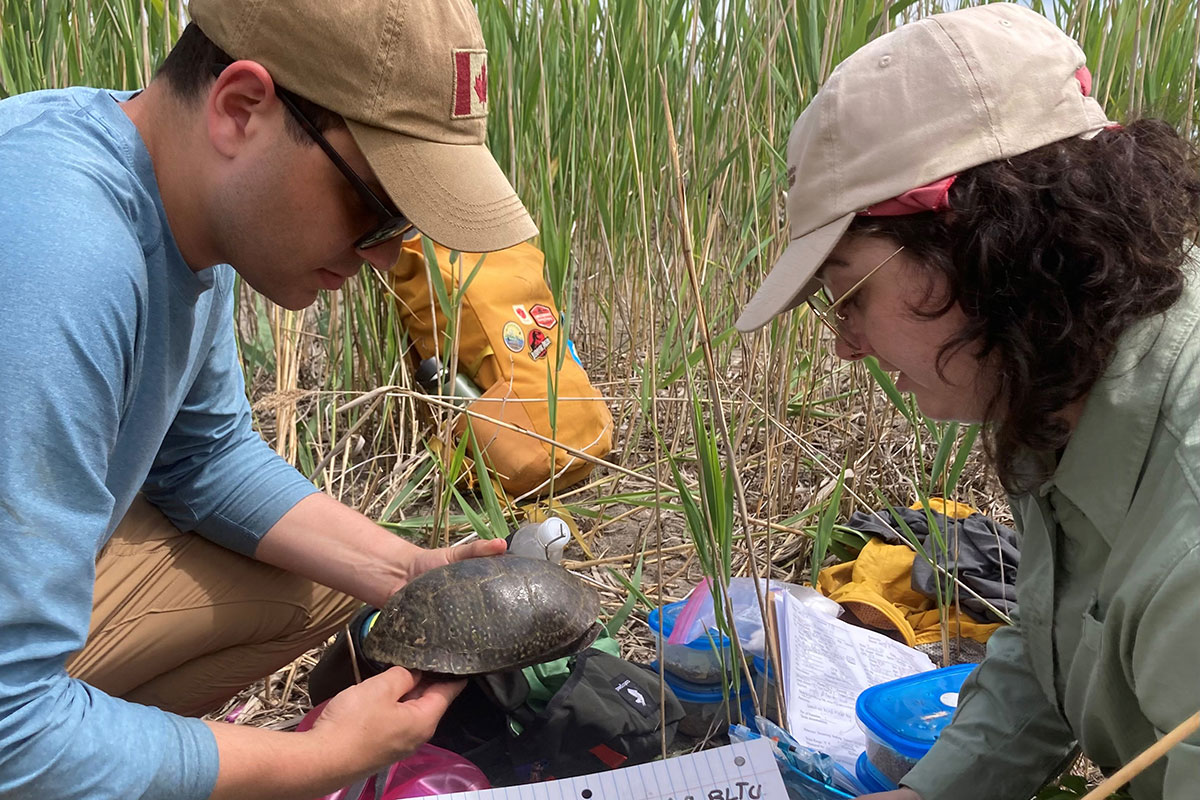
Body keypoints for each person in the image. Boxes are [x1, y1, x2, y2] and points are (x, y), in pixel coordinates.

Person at [0, 0, 538, 797]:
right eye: (376, 202)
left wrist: (411, 572)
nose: (389, 253)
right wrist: (321, 759)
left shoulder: (180, 210)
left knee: (330, 572)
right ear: (241, 108)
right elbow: (8, 725)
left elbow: (204, 459)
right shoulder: (62, 248)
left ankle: (100, 756)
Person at [736, 4, 1200, 799]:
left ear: (988, 244)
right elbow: (1054, 641)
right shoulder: (1062, 385)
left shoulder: (1186, 524)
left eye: (848, 293)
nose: (847, 345)